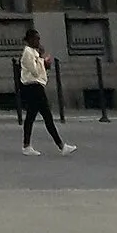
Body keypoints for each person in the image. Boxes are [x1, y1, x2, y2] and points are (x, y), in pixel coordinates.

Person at [17, 24, 75, 155]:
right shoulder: (27, 53)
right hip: (33, 86)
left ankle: (27, 146)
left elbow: (40, 69)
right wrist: (43, 60)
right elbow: (35, 71)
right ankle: (61, 145)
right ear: (30, 39)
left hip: (36, 86)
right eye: (36, 39)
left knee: (31, 116)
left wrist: (43, 62)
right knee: (46, 115)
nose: (38, 42)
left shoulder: (34, 52)